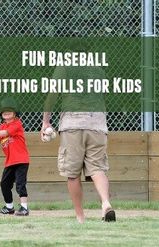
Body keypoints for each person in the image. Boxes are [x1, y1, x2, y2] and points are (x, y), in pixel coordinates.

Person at [41, 64, 116, 223]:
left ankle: (80, 217)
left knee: (73, 174)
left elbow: (52, 95)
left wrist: (46, 122)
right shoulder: (98, 70)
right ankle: (105, 203)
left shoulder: (64, 68)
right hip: (97, 126)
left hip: (72, 125)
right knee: (97, 169)